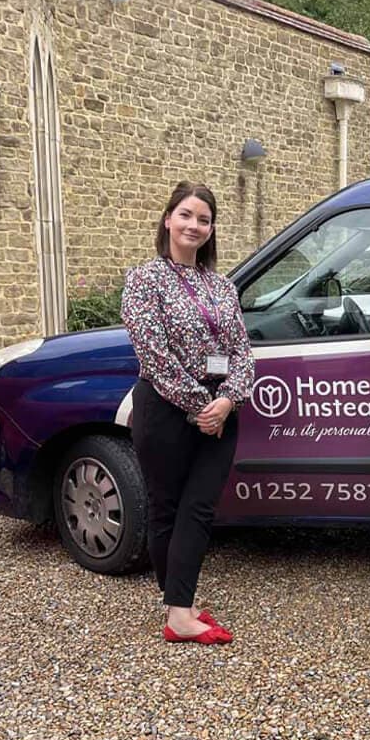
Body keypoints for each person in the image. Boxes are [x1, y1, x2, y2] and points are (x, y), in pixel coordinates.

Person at [121, 181, 255, 645]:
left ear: (211, 228)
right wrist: (201, 405)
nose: (194, 225)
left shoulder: (222, 285)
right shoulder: (144, 280)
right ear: (168, 219)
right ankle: (180, 608)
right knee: (166, 508)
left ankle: (179, 608)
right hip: (165, 409)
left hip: (221, 410)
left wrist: (227, 401)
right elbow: (154, 355)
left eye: (203, 218)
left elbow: (242, 352)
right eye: (186, 215)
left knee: (198, 508)